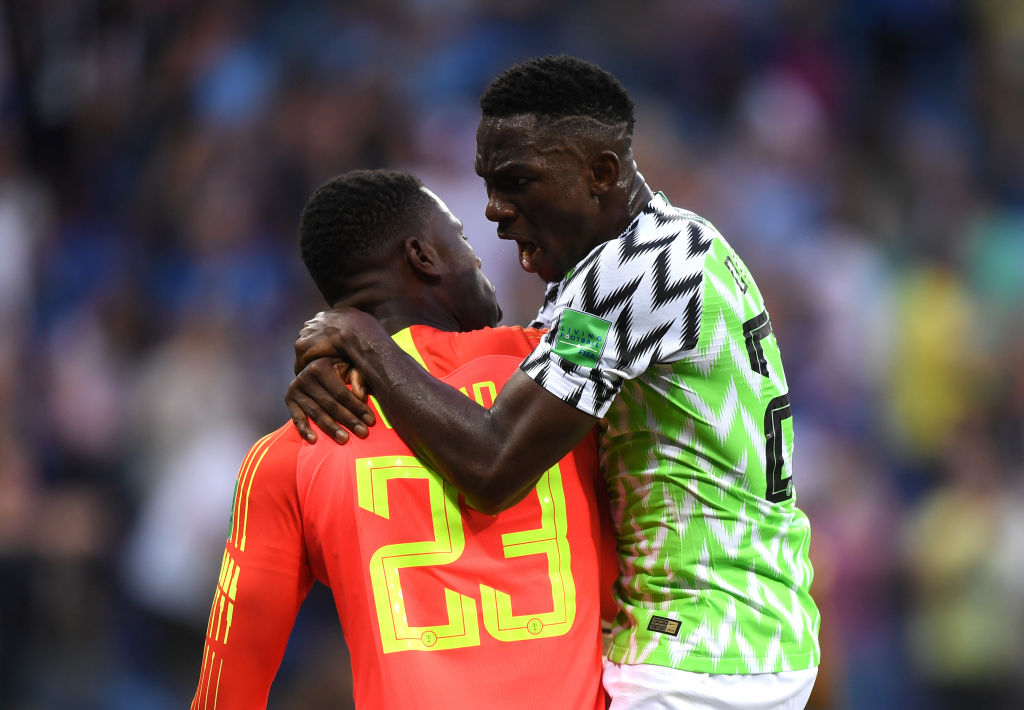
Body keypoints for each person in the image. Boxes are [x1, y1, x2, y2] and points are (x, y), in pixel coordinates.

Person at [287, 56, 821, 708]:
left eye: (517, 181)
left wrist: (363, 340)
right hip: (735, 638)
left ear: (600, 174)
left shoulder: (633, 274)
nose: (493, 210)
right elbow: (516, 393)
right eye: (487, 182)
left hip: (699, 661)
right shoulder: (653, 255)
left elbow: (494, 464)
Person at [192, 169, 616, 709]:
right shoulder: (562, 372)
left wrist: (352, 340)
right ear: (423, 256)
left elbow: (228, 689)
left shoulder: (289, 452)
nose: (479, 255)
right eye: (461, 237)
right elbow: (614, 312)